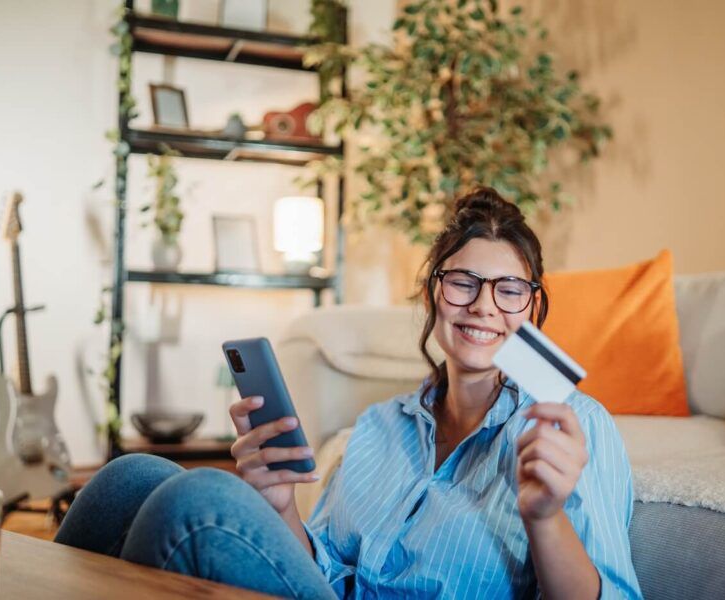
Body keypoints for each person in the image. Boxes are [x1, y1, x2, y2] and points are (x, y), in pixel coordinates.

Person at [55, 187, 641, 599]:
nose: (484, 304)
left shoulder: (571, 425)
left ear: (532, 308)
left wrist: (544, 516)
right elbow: (321, 571)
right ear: (433, 294)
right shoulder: (381, 426)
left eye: (509, 290)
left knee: (199, 499)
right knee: (127, 477)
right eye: (463, 282)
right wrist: (282, 503)